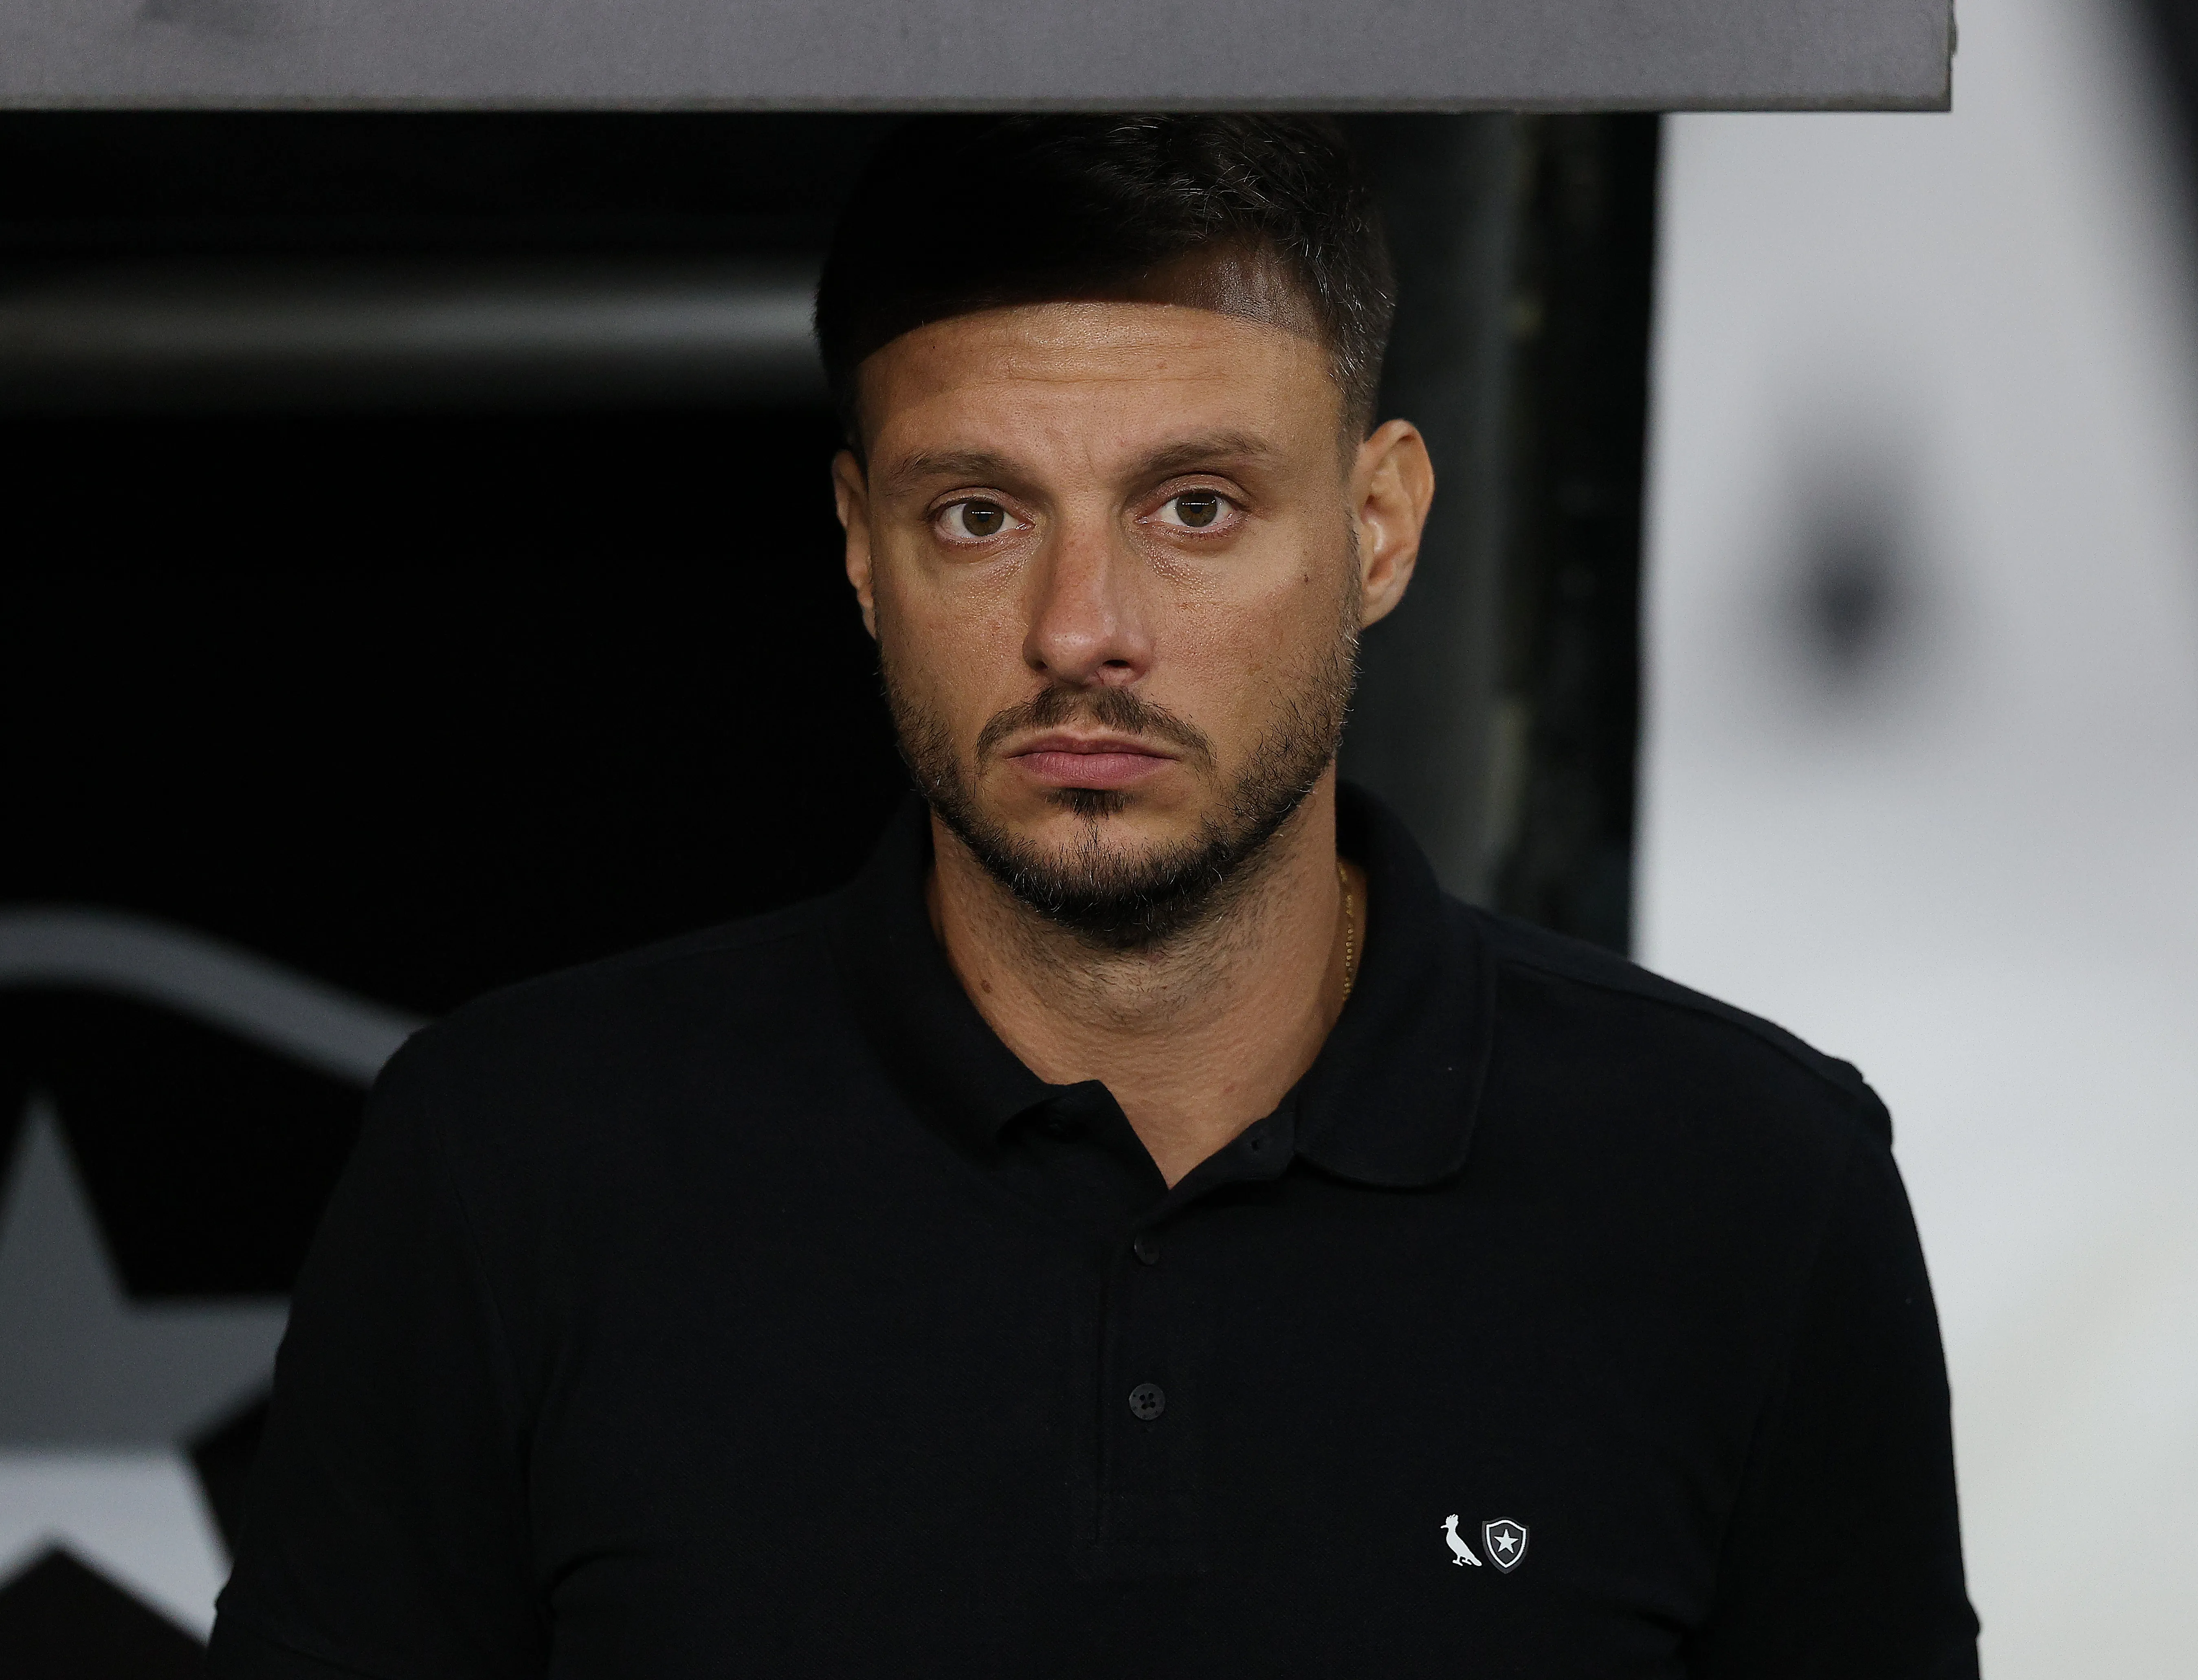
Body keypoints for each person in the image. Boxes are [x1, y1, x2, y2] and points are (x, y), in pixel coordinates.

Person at [208, 115, 1978, 1678]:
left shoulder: (1746, 1186)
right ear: (857, 547)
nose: (1079, 629)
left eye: (1192, 506)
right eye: (978, 514)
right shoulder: (509, 1164)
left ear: (1378, 526)